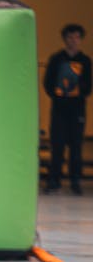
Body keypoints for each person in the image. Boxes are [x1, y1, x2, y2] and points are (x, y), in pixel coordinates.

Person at [43, 24, 91, 195]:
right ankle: (54, 181)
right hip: (59, 109)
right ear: (65, 39)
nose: (73, 41)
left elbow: (88, 86)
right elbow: (47, 83)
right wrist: (58, 93)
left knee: (76, 147)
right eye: (70, 37)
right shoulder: (56, 59)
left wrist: (77, 90)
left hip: (77, 110)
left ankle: (75, 182)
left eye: (77, 37)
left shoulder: (85, 61)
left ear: (80, 39)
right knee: (57, 145)